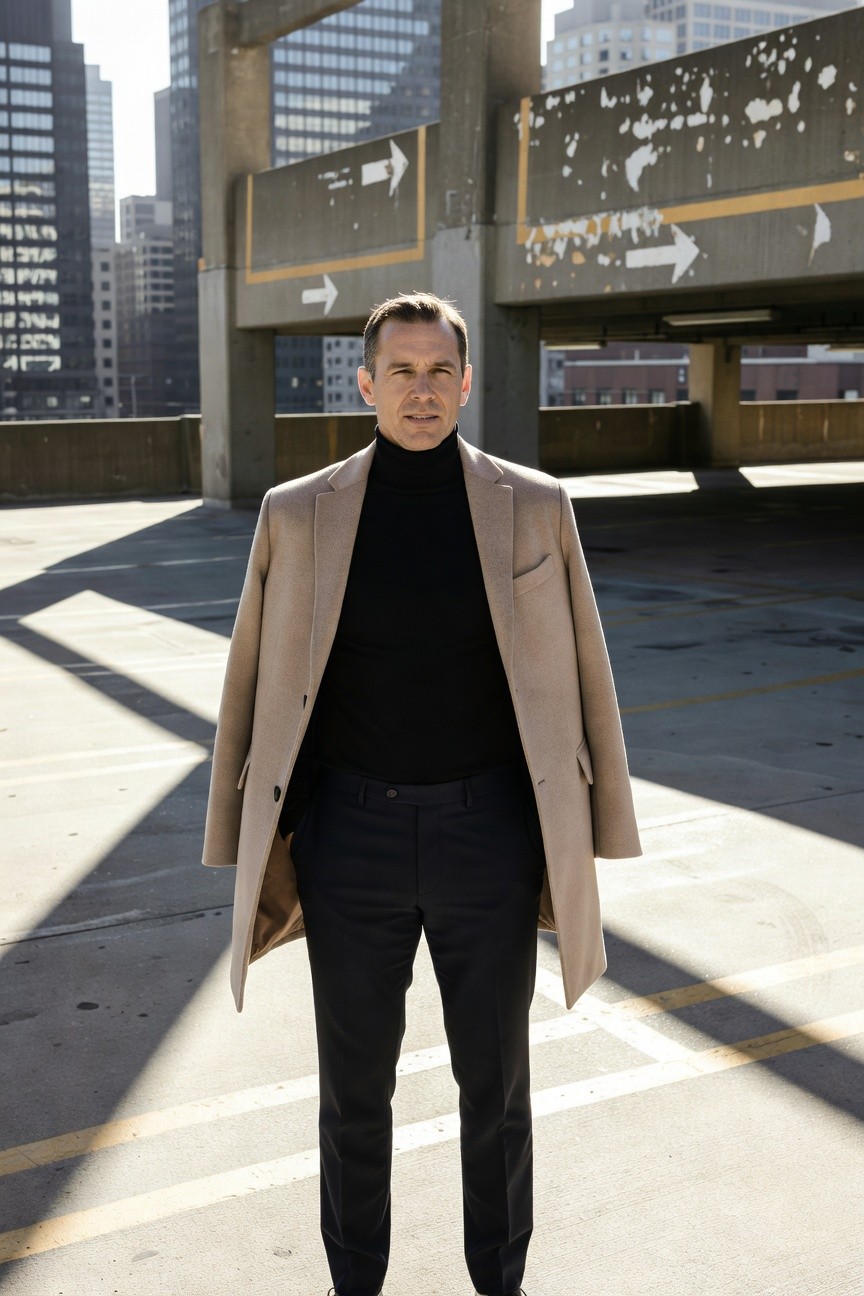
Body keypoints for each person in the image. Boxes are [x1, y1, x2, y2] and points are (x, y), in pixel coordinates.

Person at [202, 292, 641, 1296]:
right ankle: (355, 1280)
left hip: (490, 836)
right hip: (348, 839)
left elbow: (587, 669)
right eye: (400, 371)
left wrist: (600, 822)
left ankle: (500, 1280)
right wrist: (246, 828)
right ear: (365, 384)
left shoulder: (537, 505)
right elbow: (250, 681)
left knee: (498, 1091)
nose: (421, 389)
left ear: (467, 382)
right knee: (353, 1095)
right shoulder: (294, 513)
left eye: (440, 370)